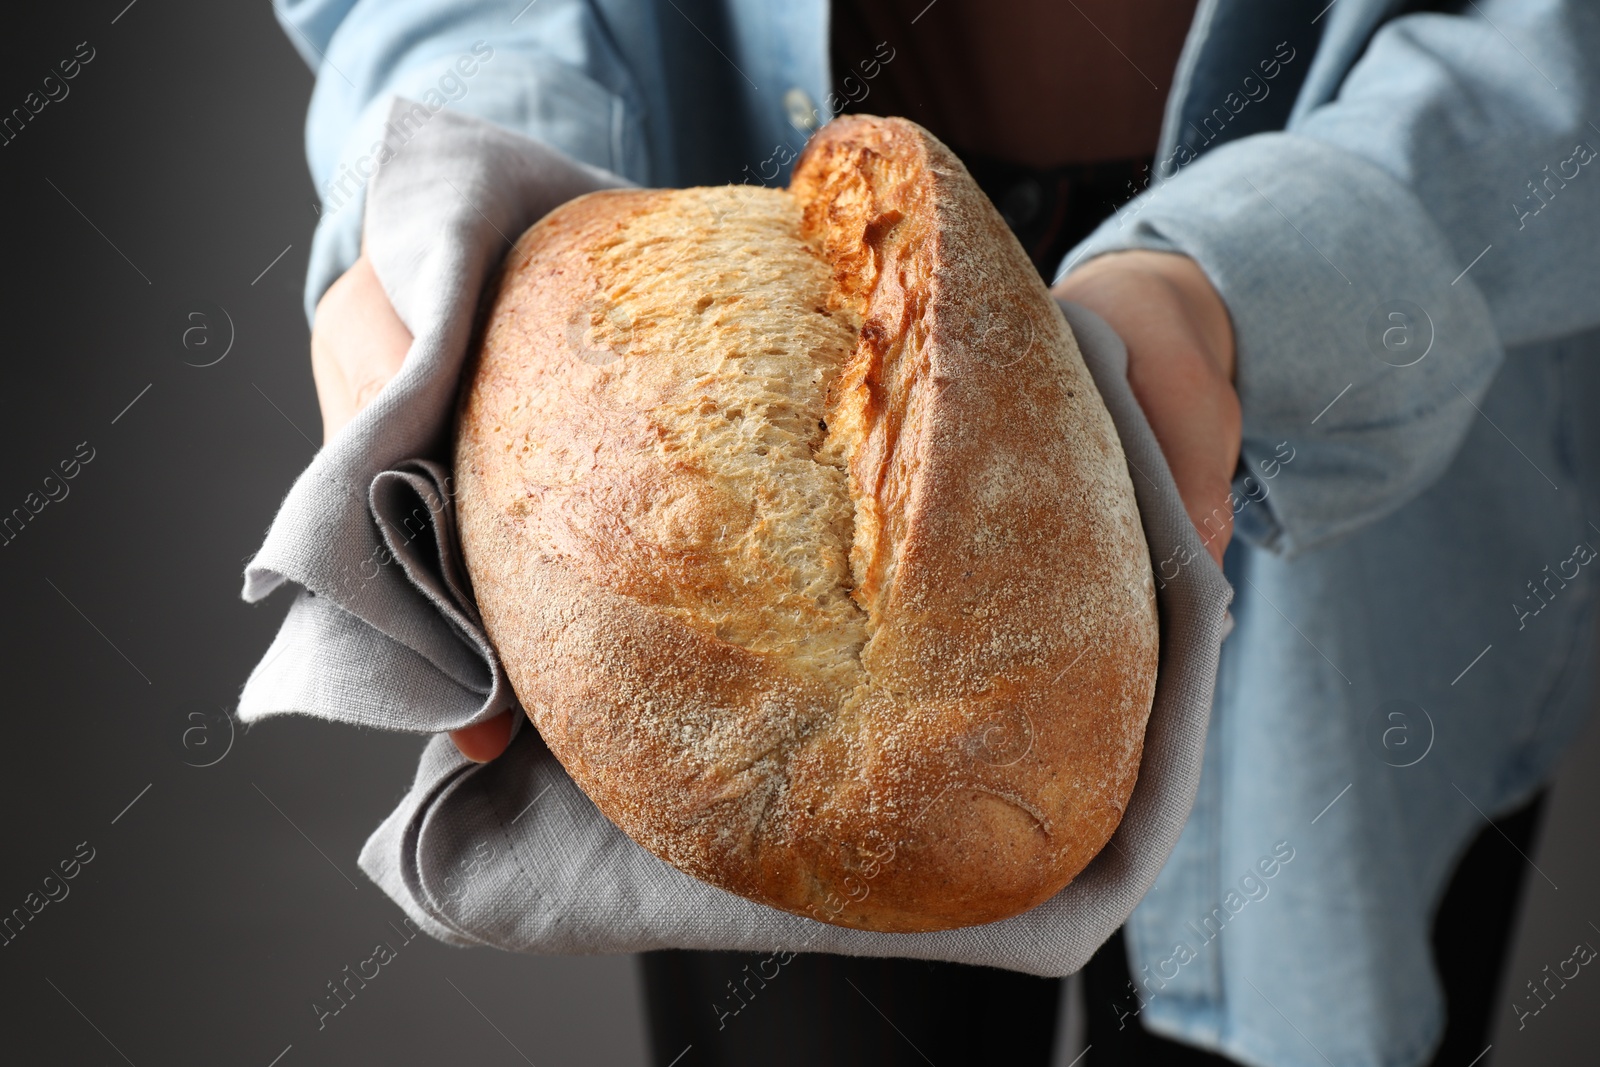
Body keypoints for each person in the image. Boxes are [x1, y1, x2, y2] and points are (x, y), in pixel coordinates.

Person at [278, 0, 1600, 1063]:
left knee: (1308, 977)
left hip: (1376, 355)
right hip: (723, 339)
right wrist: (468, 200)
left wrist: (1269, 273)